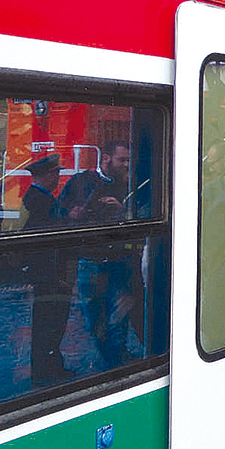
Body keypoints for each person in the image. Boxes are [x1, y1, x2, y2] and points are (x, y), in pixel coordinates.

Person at [59, 142, 139, 369]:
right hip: (90, 260)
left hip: (118, 260)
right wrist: (72, 214)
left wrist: (121, 209)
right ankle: (112, 361)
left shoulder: (127, 184)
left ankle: (116, 362)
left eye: (128, 160)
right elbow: (58, 212)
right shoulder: (79, 182)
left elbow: (142, 213)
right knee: (94, 319)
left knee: (118, 319)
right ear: (106, 159)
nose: (126, 165)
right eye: (122, 160)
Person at [23, 153, 73, 385]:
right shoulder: (41, 202)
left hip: (44, 273)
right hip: (49, 274)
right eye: (56, 173)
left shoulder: (36, 199)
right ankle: (47, 372)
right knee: (50, 323)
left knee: (48, 323)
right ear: (49, 174)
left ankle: (48, 368)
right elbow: (49, 243)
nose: (58, 178)